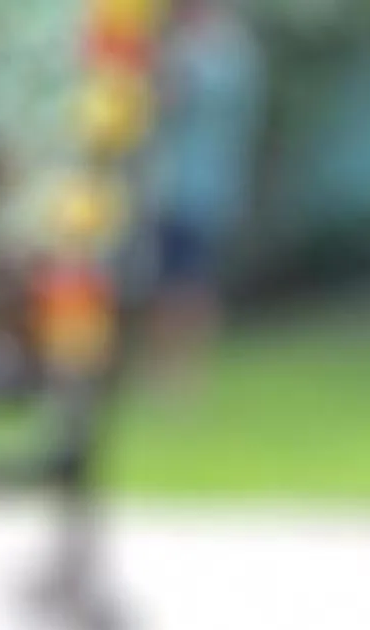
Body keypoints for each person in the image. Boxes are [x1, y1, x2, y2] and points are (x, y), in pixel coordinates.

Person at [142, 0, 266, 364]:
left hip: (195, 187)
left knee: (185, 279)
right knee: (177, 276)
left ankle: (179, 367)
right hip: (182, 185)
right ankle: (172, 366)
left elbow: (171, 99)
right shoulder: (224, 49)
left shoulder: (215, 52)